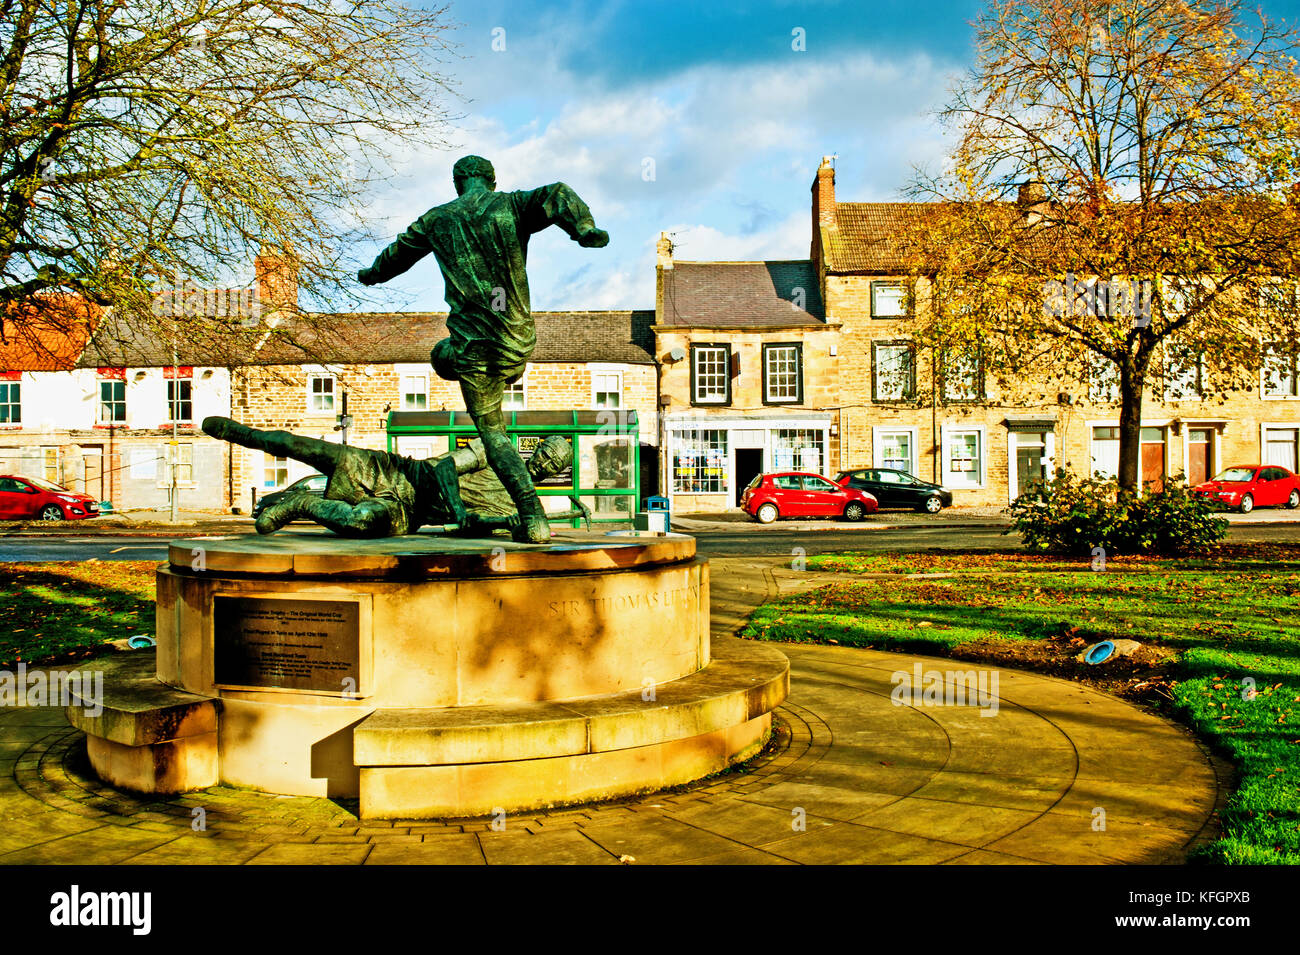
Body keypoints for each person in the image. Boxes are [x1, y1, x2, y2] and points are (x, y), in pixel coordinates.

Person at [357, 155, 608, 542]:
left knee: (493, 435)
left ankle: (533, 517)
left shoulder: (436, 219)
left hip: (473, 345)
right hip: (515, 336)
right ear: (491, 180)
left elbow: (397, 255)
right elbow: (557, 194)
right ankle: (502, 373)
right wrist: (583, 227)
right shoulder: (510, 203)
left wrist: (371, 274)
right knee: (497, 379)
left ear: (457, 183)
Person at [201, 416, 581, 538]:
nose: (545, 463)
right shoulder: (496, 454)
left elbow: (474, 529)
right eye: (545, 453)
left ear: (555, 472)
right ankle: (241, 433)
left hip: (405, 512)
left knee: (360, 519)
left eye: (553, 463)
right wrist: (458, 510)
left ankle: (300, 504)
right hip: (399, 472)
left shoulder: (523, 506)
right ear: (536, 450)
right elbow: (445, 467)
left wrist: (503, 523)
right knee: (302, 446)